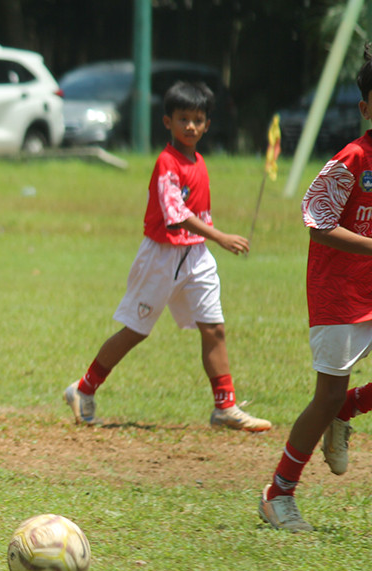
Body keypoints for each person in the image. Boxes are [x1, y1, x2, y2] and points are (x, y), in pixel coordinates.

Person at [63, 81, 270, 432]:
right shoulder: (166, 163)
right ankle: (83, 389)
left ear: (207, 124)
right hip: (161, 257)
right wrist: (220, 236)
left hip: (196, 256)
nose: (190, 126)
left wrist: (209, 240)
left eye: (198, 119)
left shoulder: (200, 161)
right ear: (167, 122)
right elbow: (175, 212)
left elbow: (196, 214)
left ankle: (225, 407)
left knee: (214, 328)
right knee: (135, 332)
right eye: (183, 118)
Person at [258, 44, 372, 532]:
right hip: (339, 294)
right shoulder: (351, 158)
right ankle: (278, 494)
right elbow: (316, 221)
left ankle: (348, 410)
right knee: (325, 396)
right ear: (366, 107)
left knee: (337, 401)